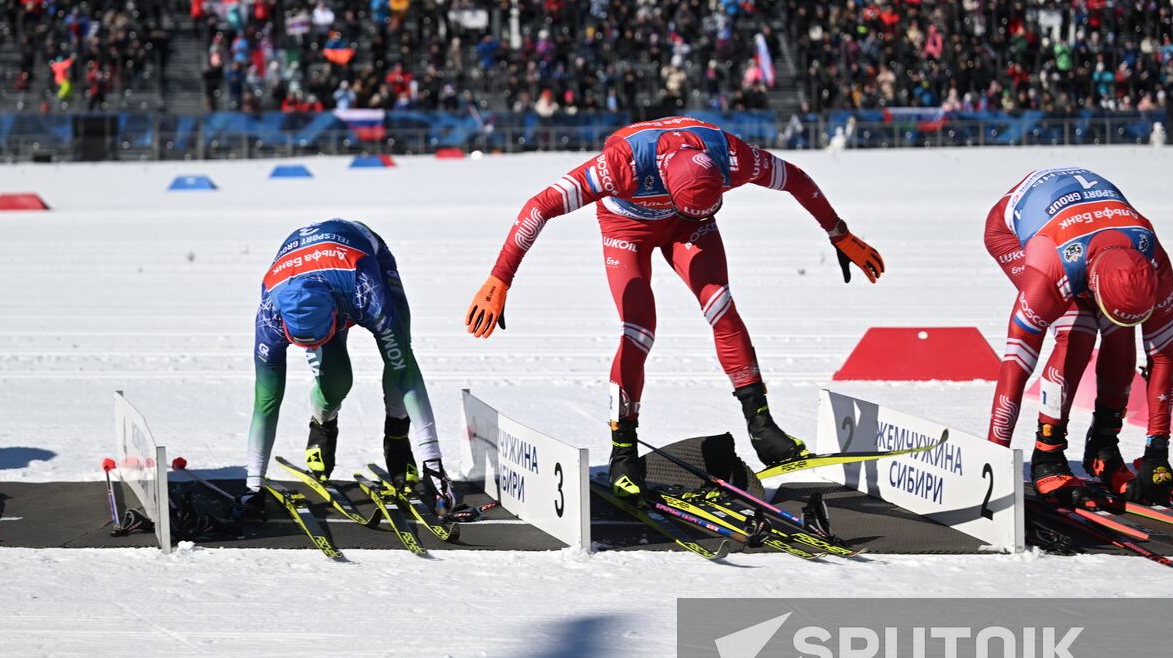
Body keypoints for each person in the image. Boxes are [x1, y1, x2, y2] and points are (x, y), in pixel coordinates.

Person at [464, 116, 885, 496]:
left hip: (690, 223)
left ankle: (762, 427)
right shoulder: (620, 165)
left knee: (721, 306)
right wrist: (501, 277)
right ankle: (623, 450)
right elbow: (540, 206)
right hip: (627, 225)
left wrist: (839, 233)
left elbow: (793, 177)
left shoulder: (729, 154)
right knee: (639, 330)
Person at [983, 167, 1173, 505]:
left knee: (1120, 333)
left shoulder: (1155, 262)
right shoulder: (1050, 267)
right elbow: (1015, 365)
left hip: (1090, 227)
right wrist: (993, 459)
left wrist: (1156, 451)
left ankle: (1102, 445)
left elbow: (1162, 356)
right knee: (1078, 325)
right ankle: (1048, 452)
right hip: (1020, 231)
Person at [245, 219, 452, 520]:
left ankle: (397, 435)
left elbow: (404, 370)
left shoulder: (366, 292)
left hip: (359, 260)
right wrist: (253, 486)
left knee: (398, 354)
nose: (312, 345)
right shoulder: (270, 317)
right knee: (336, 382)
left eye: (319, 337)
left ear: (334, 315)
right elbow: (266, 402)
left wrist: (433, 463)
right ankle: (323, 424)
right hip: (309, 276)